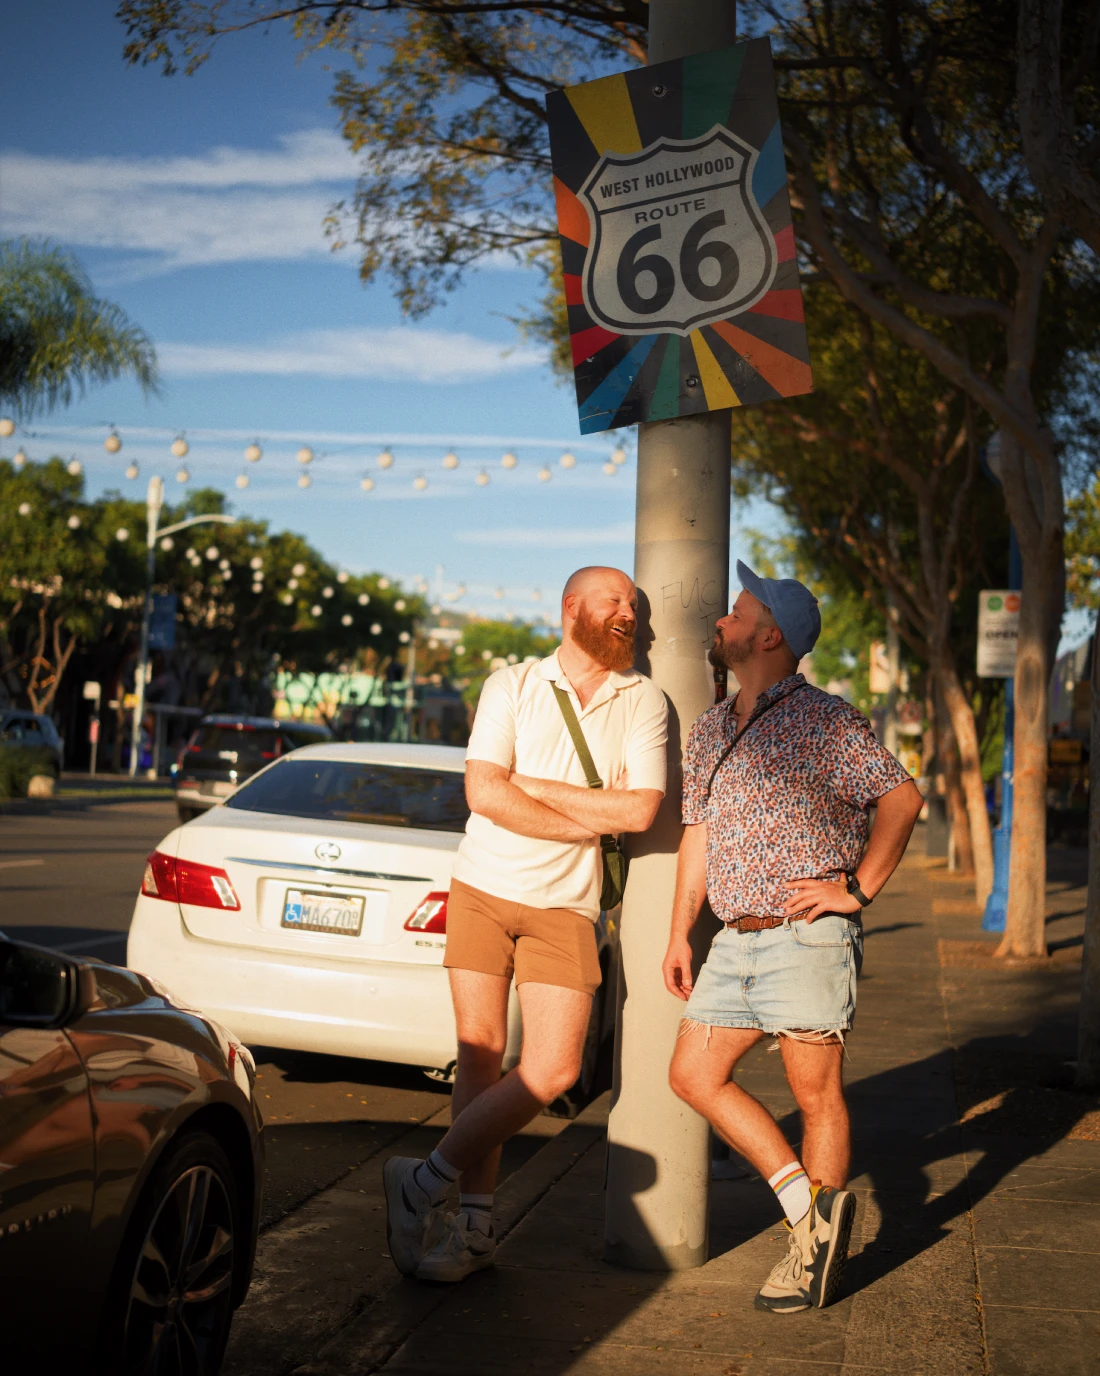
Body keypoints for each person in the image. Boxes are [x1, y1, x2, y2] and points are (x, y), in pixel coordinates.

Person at [384, 565, 668, 1283]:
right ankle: (474, 1228)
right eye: (614, 600)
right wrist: (588, 819)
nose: (629, 613)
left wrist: (533, 788)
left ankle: (421, 1181)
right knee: (480, 1057)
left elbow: (640, 811)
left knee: (555, 1069)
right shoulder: (510, 684)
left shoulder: (644, 700)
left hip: (567, 908)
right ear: (572, 607)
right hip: (482, 887)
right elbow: (484, 793)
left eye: (634, 605)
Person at [663, 561, 923, 1315]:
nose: (722, 619)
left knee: (816, 1096)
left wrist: (856, 891)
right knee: (693, 1075)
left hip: (806, 939)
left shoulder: (828, 720)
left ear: (770, 636)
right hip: (733, 940)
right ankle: (811, 1217)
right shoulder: (712, 727)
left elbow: (902, 801)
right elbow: (697, 836)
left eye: (737, 612)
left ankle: (811, 1257)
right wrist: (680, 932)